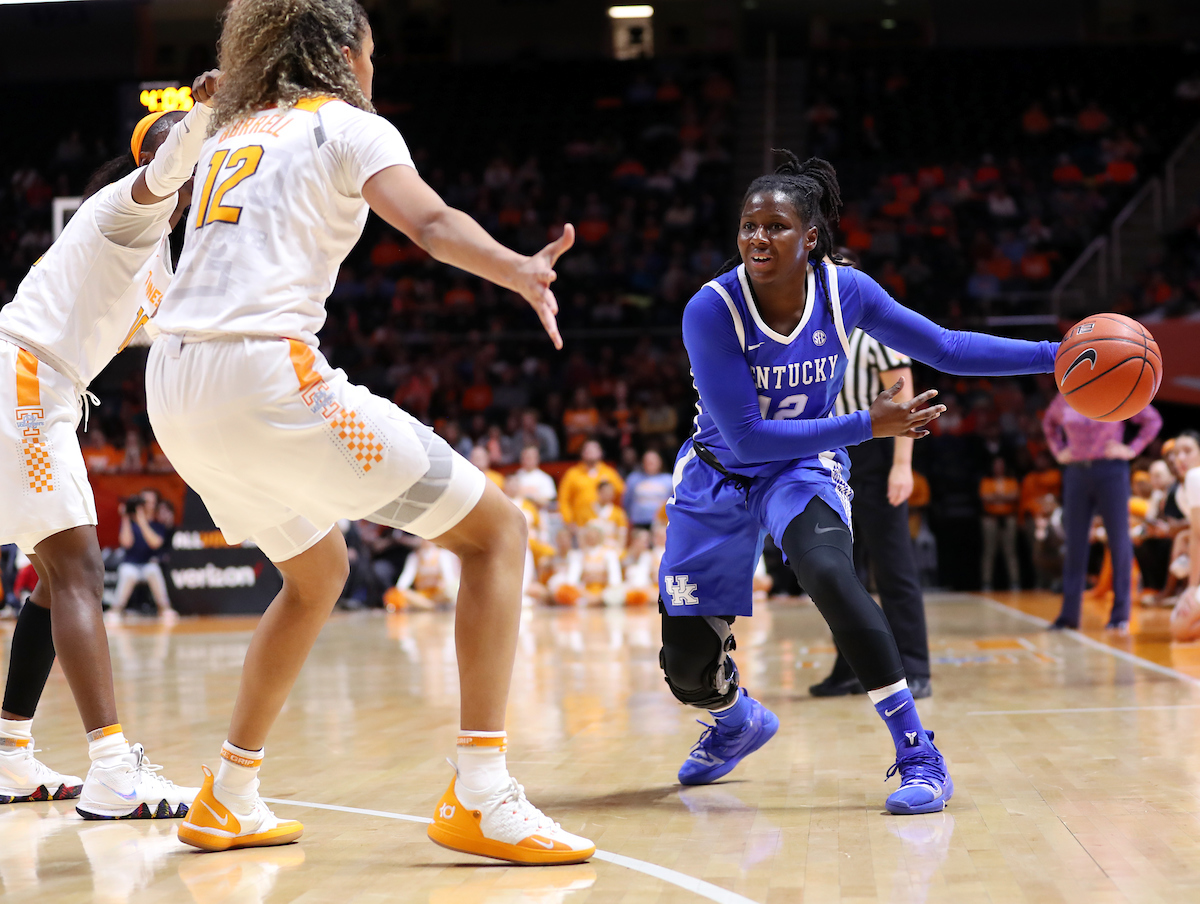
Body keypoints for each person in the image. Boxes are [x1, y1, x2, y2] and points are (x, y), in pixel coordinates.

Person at [147, 0, 591, 862]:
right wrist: (517, 267)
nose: (375, 68)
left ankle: (229, 794)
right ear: (347, 53)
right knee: (498, 533)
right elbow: (428, 224)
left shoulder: (230, 132)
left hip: (172, 386)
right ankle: (482, 792)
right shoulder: (351, 125)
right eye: (374, 53)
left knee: (316, 574)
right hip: (264, 374)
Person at [659, 152, 1058, 816]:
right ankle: (734, 722)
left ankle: (918, 753)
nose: (759, 238)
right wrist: (866, 424)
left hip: (800, 468)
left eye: (776, 226)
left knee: (830, 573)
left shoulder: (847, 291)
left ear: (810, 237)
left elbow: (948, 348)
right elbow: (751, 437)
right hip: (720, 475)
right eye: (749, 226)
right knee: (686, 668)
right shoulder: (711, 310)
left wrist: (1055, 356)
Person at [0, 74, 218, 817]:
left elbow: (183, 327)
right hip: (26, 379)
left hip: (42, 388)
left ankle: (11, 756)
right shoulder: (126, 208)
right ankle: (113, 770)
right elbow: (170, 163)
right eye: (178, 154)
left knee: (53, 578)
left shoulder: (155, 258)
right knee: (79, 568)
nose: (187, 167)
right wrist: (206, 115)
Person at [811, 317, 932, 700]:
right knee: (841, 571)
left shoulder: (875, 335)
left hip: (876, 454)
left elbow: (905, 398)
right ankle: (849, 669)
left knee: (894, 566)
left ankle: (915, 667)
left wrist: (901, 465)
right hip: (832, 449)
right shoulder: (813, 335)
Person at [1042, 392, 1161, 631]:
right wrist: (1058, 451)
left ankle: (1119, 615)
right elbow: (1049, 423)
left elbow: (1152, 419)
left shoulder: (1112, 388)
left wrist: (1132, 449)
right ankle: (1068, 616)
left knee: (1119, 541)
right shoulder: (1067, 393)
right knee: (1075, 543)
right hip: (1076, 472)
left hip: (1111, 471)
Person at [107, 489, 179, 624]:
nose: (148, 505)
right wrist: (126, 517)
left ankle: (164, 608)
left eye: (151, 502)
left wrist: (142, 520)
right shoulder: (130, 523)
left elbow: (155, 543)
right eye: (145, 502)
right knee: (128, 573)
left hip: (148, 564)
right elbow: (126, 543)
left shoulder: (157, 525)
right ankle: (116, 609)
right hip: (131, 564)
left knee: (153, 571)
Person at [558, 440, 625, 528]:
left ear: (600, 453)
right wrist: (568, 520)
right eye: (588, 450)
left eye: (594, 450)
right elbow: (563, 500)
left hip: (606, 523)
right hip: (580, 524)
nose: (591, 453)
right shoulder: (572, 474)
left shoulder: (610, 474)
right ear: (582, 453)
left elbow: (621, 495)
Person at [979, 457, 1021, 591]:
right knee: (989, 551)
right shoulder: (987, 481)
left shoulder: (1011, 481)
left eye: (1001, 465)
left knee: (1010, 552)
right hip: (991, 519)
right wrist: (1004, 497)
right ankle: (986, 582)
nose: (999, 468)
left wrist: (995, 497)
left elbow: (1015, 496)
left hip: (1008, 519)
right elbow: (985, 497)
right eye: (996, 465)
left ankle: (1015, 582)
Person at [622, 450, 673, 530]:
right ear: (642, 462)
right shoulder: (633, 478)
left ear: (660, 462)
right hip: (638, 522)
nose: (650, 463)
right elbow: (626, 501)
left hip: (661, 524)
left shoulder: (669, 480)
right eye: (647, 461)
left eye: (653, 461)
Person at [511, 444, 557, 510]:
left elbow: (547, 502)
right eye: (525, 457)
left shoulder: (545, 478)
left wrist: (529, 497)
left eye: (530, 457)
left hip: (539, 517)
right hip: (519, 516)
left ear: (537, 458)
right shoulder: (514, 477)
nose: (527, 460)